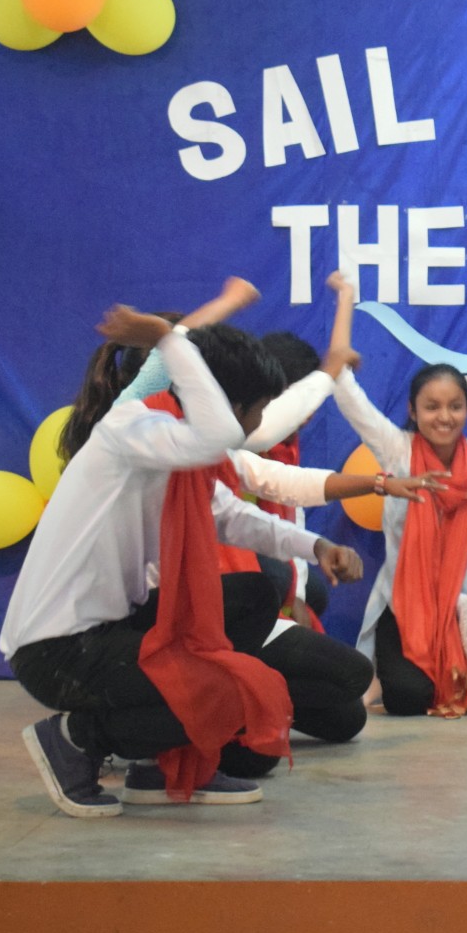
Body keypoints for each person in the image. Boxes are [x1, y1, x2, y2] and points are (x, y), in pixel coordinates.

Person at [1, 287, 366, 817]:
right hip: (59, 651)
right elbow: (216, 433)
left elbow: (232, 516)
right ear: (231, 406)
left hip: (111, 628)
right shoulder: (135, 430)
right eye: (258, 410)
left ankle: (158, 764)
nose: (258, 425)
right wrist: (169, 339)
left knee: (253, 595)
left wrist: (317, 546)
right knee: (226, 686)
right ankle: (75, 738)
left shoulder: (176, 447)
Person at [71, 276, 440, 777]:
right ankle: (111, 732)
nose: (257, 419)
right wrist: (215, 309)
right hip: (126, 626)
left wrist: (328, 535)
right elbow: (178, 367)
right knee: (261, 594)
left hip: (173, 614)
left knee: (338, 709)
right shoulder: (130, 435)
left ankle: (225, 702)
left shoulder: (198, 452)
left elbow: (256, 497)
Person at [336, 361, 467, 718]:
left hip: (465, 590)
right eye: (432, 407)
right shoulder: (396, 449)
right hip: (404, 598)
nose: (444, 417)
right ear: (413, 411)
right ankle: (434, 669)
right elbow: (356, 407)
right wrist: (339, 367)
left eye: (455, 406)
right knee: (407, 700)